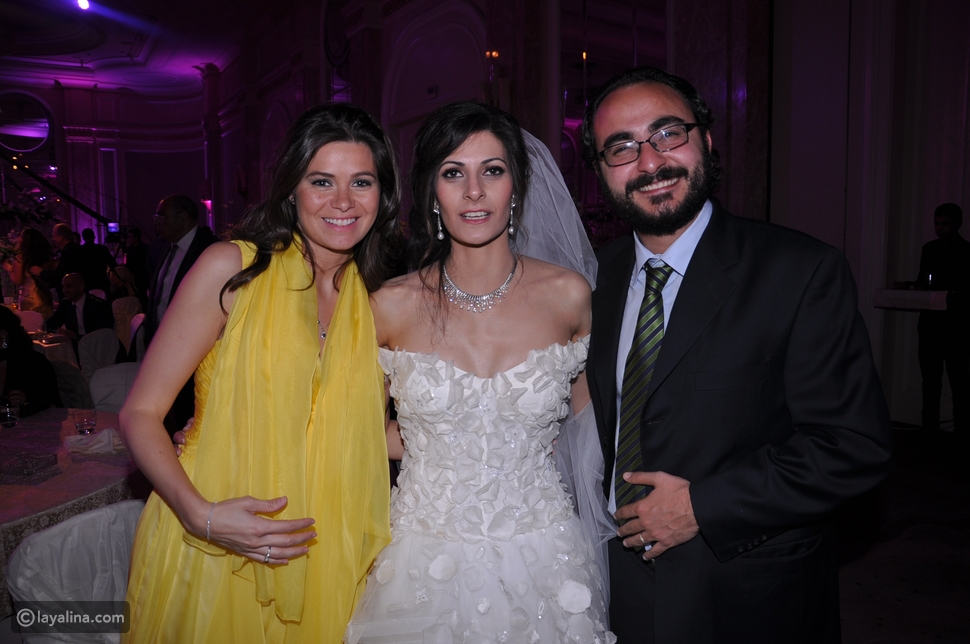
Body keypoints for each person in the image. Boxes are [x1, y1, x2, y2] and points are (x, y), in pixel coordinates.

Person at [580, 67, 893, 643]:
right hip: (615, 588)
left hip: (746, 595)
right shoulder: (591, 280)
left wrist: (702, 506)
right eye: (621, 147)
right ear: (600, 171)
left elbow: (852, 447)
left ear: (705, 139)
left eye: (667, 133)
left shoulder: (799, 271)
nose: (650, 162)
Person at [120, 103, 402, 643]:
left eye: (361, 182)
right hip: (216, 537)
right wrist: (200, 516)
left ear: (382, 196)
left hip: (326, 544)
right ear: (292, 189)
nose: (343, 201)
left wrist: (485, 435)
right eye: (322, 181)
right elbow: (141, 412)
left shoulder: (376, 303)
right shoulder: (233, 269)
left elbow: (367, 431)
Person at [345, 102, 614, 643]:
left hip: (545, 555)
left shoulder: (570, 297)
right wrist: (437, 442)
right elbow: (356, 433)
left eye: (492, 170)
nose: (474, 191)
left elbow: (588, 435)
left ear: (516, 186)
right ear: (432, 192)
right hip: (421, 557)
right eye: (453, 173)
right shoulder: (387, 306)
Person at [144, 194, 218, 433]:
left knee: (191, 417)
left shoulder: (210, 249)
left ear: (182, 217)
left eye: (161, 216)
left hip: (195, 351)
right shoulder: (163, 249)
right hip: (163, 346)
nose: (156, 222)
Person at [916, 202, 970, 442]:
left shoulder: (967, 251)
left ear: (958, 224)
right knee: (930, 378)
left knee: (959, 379)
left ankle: (963, 429)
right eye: (937, 223)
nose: (939, 228)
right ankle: (929, 428)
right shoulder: (929, 249)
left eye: (944, 224)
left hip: (956, 325)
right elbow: (923, 282)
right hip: (931, 323)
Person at [0, 306, 61, 417]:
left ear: (3, 334)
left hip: (29, 424)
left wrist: (26, 401)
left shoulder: (34, 363)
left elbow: (54, 405)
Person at [2, 227, 54, 319]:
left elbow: (18, 281)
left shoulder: (21, 257)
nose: (18, 238)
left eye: (21, 236)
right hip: (43, 296)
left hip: (28, 298)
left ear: (26, 241)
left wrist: (10, 269)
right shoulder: (43, 256)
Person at [44, 272, 114, 340]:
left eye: (69, 286)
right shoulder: (66, 304)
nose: (65, 290)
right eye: (63, 287)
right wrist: (59, 331)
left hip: (94, 345)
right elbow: (49, 325)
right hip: (72, 346)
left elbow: (103, 335)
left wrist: (75, 337)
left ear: (81, 287)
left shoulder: (98, 306)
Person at [38, 223, 83, 299]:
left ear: (61, 236)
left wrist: (41, 272)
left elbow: (60, 274)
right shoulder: (69, 250)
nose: (53, 239)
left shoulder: (70, 252)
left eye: (54, 236)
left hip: (71, 293)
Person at [79, 227, 116, 294]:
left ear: (83, 238)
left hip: (86, 284)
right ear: (94, 237)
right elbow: (113, 264)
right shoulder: (102, 249)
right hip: (101, 282)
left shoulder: (79, 250)